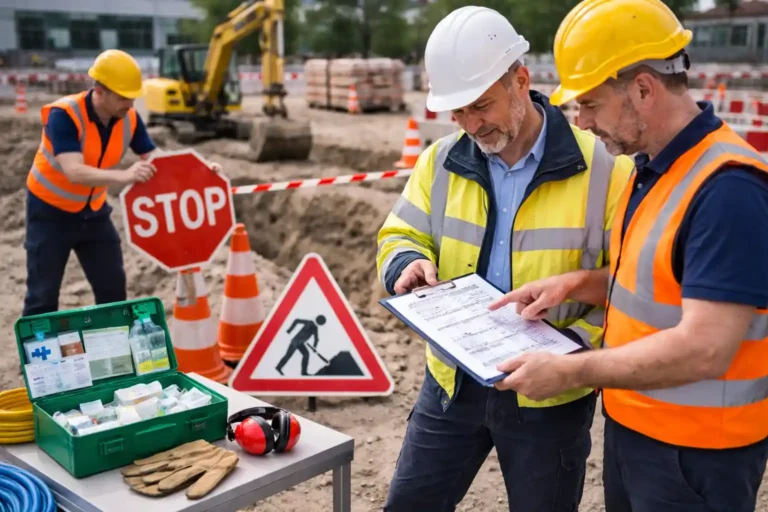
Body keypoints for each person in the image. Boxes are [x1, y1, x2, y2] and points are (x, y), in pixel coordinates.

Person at [489, 1, 768, 511]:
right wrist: (576, 284)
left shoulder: (728, 189)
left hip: (698, 454)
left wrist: (571, 371)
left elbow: (706, 347)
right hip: (639, 432)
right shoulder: (653, 168)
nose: (582, 120)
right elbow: (654, 281)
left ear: (643, 89)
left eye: (591, 103)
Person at [375, 6, 635, 511]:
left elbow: (629, 288)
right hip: (452, 383)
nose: (471, 124)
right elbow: (399, 231)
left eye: (482, 106)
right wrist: (405, 261)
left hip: (550, 395)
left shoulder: (606, 169)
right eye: (458, 113)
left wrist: (572, 358)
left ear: (521, 79)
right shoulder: (440, 161)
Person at [23, 49, 222, 317]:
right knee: (43, 295)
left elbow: (157, 160)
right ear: (100, 91)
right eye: (122, 97)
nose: (129, 103)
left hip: (93, 213)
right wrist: (124, 176)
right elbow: (74, 171)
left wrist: (200, 172)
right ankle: (38, 356)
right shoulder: (65, 115)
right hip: (49, 213)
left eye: (132, 97)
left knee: (113, 289)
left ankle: (113, 349)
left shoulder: (128, 118)